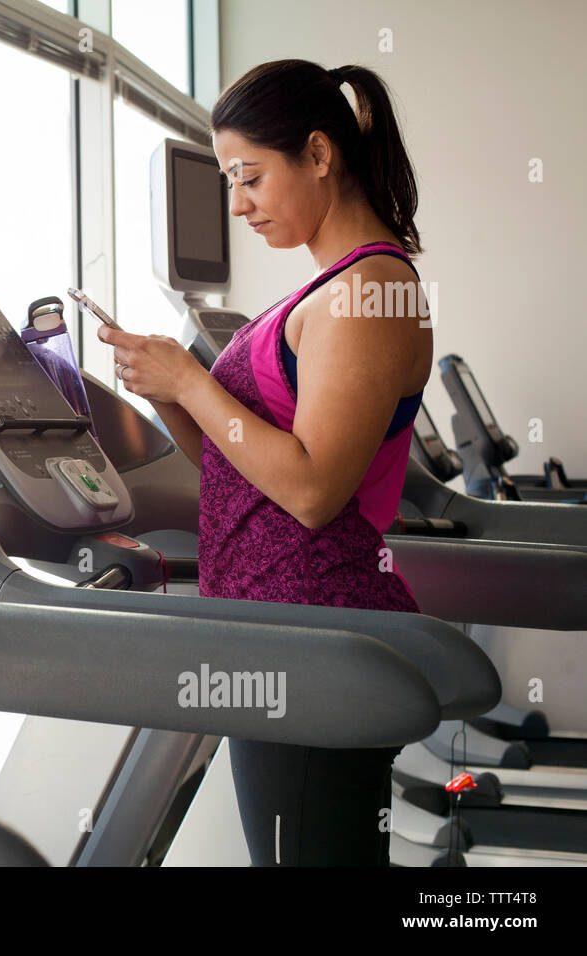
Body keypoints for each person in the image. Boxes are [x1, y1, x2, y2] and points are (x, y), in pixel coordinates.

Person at [98, 59, 431, 865]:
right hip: (276, 623)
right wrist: (170, 392)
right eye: (226, 181)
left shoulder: (368, 293)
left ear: (319, 155)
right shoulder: (324, 291)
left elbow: (313, 491)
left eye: (249, 177)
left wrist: (191, 381)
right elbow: (241, 462)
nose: (238, 204)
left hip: (315, 627)